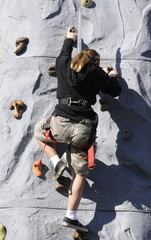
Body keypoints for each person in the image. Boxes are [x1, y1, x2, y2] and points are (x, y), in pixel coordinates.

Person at [34, 26, 121, 232]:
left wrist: (70, 38)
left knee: (39, 131)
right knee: (79, 172)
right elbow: (115, 90)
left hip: (60, 123)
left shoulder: (64, 65)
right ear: (95, 63)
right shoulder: (97, 74)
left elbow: (64, 53)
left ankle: (56, 162)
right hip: (83, 129)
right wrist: (113, 75)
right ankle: (70, 216)